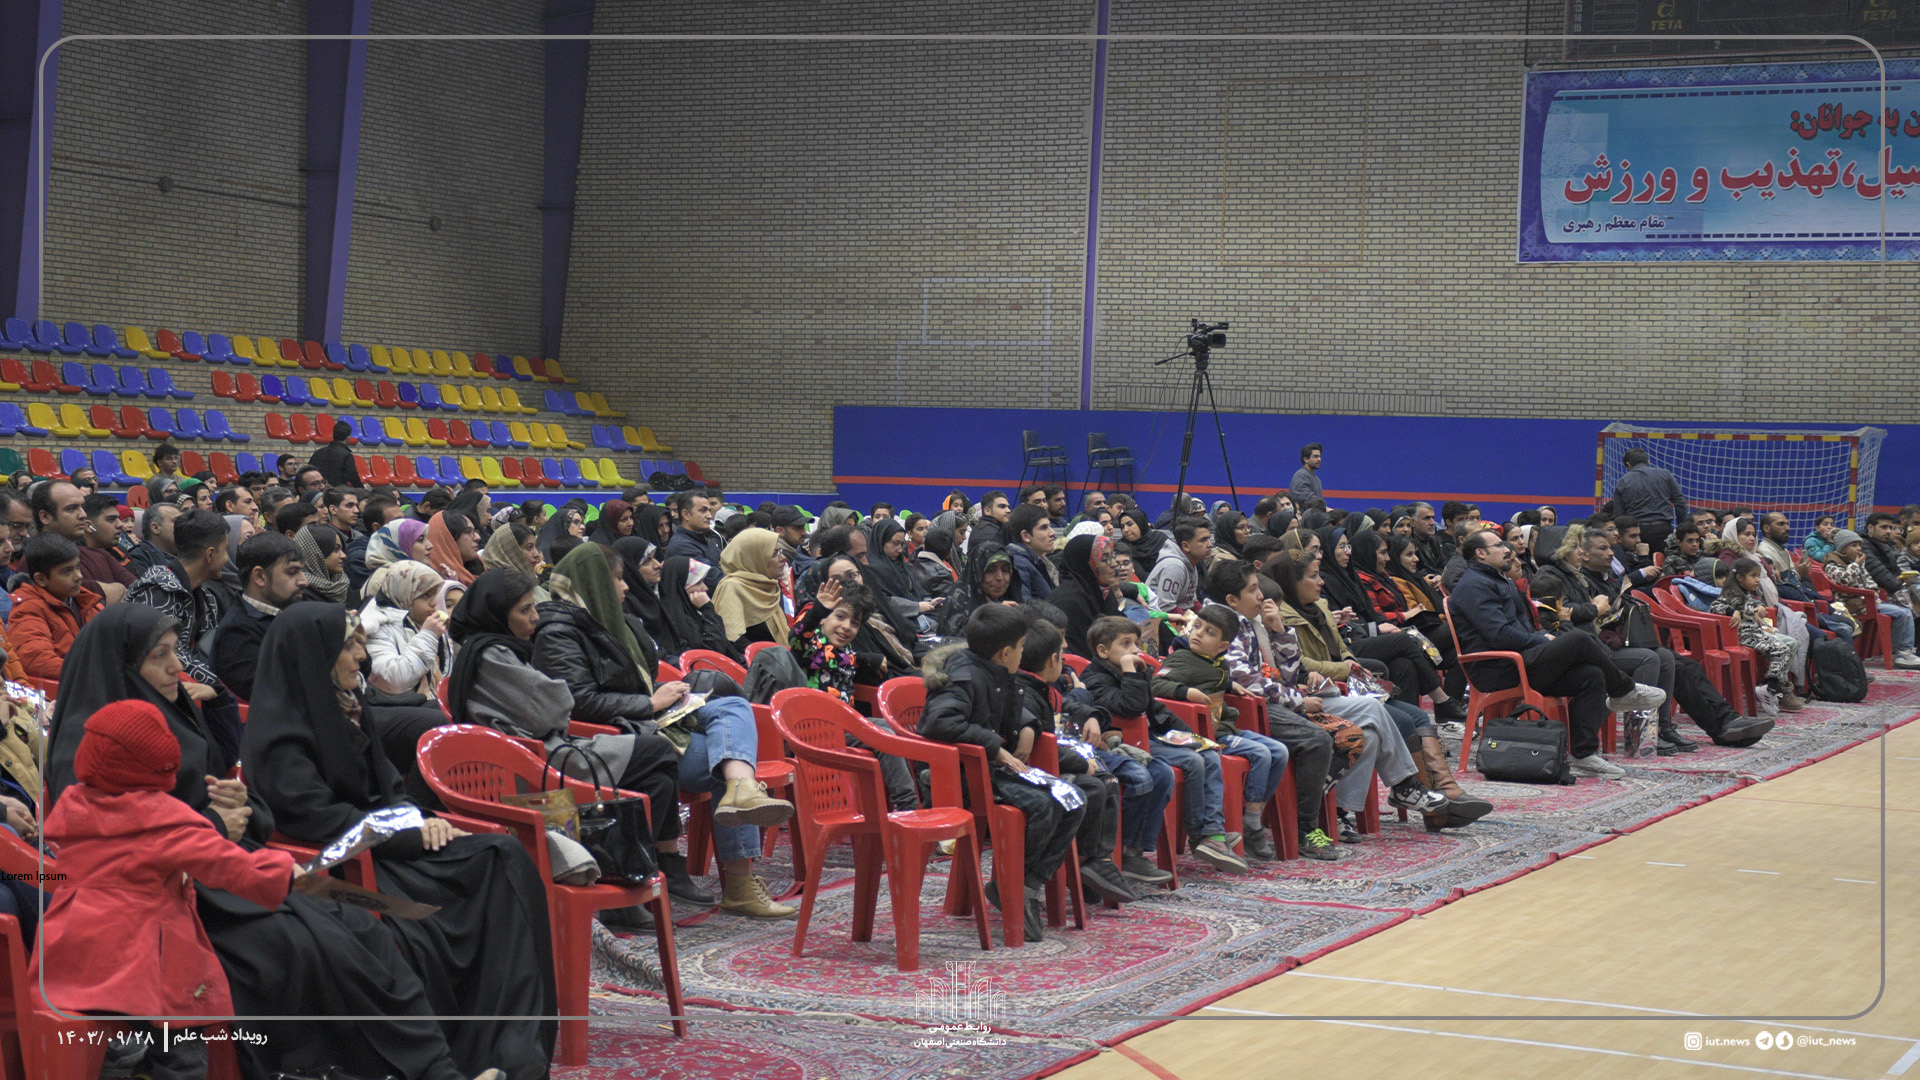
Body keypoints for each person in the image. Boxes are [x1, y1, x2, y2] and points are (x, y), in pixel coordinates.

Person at [242, 603, 557, 1075]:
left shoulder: (348, 708)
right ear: (313, 656)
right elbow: (318, 819)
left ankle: (518, 1052)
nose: (361, 657)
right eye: (349, 646)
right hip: (344, 867)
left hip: (388, 850)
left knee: (502, 856)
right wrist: (408, 833)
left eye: (360, 643)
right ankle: (481, 1052)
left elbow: (389, 788)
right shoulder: (279, 732)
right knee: (483, 876)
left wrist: (420, 819)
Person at [38, 699, 307, 1080]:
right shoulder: (160, 818)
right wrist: (283, 872)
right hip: (140, 958)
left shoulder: (75, 803)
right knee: (182, 1050)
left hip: (73, 954)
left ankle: (117, 1058)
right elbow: (228, 865)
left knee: (109, 1044)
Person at [532, 543, 797, 917]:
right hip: (617, 737)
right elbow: (578, 701)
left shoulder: (611, 621)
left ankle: (742, 789)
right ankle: (739, 879)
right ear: (594, 582)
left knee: (733, 708)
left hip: (646, 721)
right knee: (726, 762)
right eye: (618, 579)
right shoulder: (557, 632)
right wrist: (650, 703)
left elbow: (632, 681)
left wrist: (663, 696)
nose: (626, 587)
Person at [920, 605, 1089, 939]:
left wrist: (1027, 725)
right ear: (1006, 652)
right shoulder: (963, 675)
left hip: (993, 770)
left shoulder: (997, 668)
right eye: (1022, 647)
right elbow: (938, 722)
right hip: (968, 775)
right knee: (1043, 805)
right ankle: (1014, 887)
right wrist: (994, 747)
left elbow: (1008, 709)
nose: (1024, 654)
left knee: (1073, 798)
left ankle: (1023, 886)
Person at [1449, 530, 1667, 778]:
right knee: (1579, 639)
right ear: (1480, 553)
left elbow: (1522, 629)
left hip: (1520, 658)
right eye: (1498, 545)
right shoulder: (1473, 585)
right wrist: (1542, 639)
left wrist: (1541, 639)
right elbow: (1499, 634)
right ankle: (1624, 690)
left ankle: (1583, 755)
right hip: (1498, 667)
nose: (1507, 549)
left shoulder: (1499, 580)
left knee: (1591, 675)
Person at [1080, 615, 1246, 874]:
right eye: (1126, 644)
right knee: (1193, 761)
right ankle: (1199, 835)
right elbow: (1131, 706)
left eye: (1136, 643)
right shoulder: (1094, 679)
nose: (1135, 650)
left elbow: (1155, 709)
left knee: (1207, 753)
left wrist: (1194, 737)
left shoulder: (1134, 671)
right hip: (1129, 742)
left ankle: (1212, 832)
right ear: (1103, 651)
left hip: (1152, 735)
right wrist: (1131, 672)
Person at [1149, 604, 1289, 861]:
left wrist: (1231, 684)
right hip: (1207, 734)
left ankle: (1252, 814)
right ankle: (1253, 825)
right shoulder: (1181, 658)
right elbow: (1156, 684)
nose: (1198, 633)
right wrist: (1186, 692)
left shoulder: (1218, 662)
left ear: (1223, 646)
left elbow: (1212, 675)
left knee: (1279, 751)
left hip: (1225, 726)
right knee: (1261, 753)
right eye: (1197, 626)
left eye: (1209, 632)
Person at [126, 509, 242, 760]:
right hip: (150, 701)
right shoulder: (159, 591)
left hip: (189, 692)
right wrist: (219, 685)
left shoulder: (205, 595)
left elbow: (209, 649)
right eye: (224, 550)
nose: (227, 559)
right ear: (210, 555)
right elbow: (165, 656)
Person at [208, 532, 307, 702]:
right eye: (292, 572)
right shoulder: (237, 633)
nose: (304, 581)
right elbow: (270, 696)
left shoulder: (290, 609)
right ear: (260, 577)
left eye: (301, 571)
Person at [1711, 556, 1805, 713]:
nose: (1757, 580)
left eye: (1758, 576)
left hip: (1754, 632)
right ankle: (1769, 689)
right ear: (1739, 577)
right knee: (1781, 650)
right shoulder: (1732, 593)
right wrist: (1732, 611)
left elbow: (1753, 604)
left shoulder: (1746, 592)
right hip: (1743, 635)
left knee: (1784, 648)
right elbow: (1715, 606)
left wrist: (1760, 607)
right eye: (1753, 576)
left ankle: (1770, 689)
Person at [9, 534, 104, 683]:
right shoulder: (28, 609)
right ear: (41, 579)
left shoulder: (87, 601)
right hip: (72, 688)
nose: (78, 576)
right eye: (67, 571)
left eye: (78, 567)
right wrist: (97, 673)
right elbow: (36, 660)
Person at [712, 527, 790, 651]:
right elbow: (734, 641)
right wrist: (772, 657)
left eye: (780, 551)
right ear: (754, 557)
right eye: (774, 553)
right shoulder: (732, 587)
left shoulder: (769, 584)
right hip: (755, 660)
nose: (783, 558)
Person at [1611, 447, 1687, 553]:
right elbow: (1680, 503)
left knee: (1638, 561)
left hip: (1636, 532)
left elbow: (1620, 515)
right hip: (1663, 529)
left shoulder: (1622, 482)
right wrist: (1683, 530)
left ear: (1628, 465)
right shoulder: (1666, 474)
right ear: (1648, 461)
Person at [1145, 515, 1211, 620]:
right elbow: (1165, 607)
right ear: (1186, 546)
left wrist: (1209, 616)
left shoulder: (1190, 562)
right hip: (1155, 622)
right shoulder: (1175, 566)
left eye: (1209, 538)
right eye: (1203, 540)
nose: (1210, 544)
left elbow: (1191, 603)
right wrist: (1195, 620)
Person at [663, 489, 725, 586]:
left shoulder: (705, 537)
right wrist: (722, 567)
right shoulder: (682, 546)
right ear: (686, 514)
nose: (709, 516)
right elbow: (716, 580)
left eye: (709, 511)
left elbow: (728, 563)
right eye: (703, 510)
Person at [1004, 503, 1058, 602]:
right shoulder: (1019, 564)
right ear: (1026, 536)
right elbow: (1024, 607)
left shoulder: (1037, 561)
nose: (1052, 533)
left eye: (1050, 526)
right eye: (1044, 528)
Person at [296, 519, 353, 605]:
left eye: (341, 549)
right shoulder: (301, 594)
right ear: (315, 555)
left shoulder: (341, 582)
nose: (343, 555)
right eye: (335, 549)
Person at [125, 500, 181, 577]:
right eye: (177, 521)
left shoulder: (187, 552)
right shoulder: (139, 557)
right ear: (155, 528)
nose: (183, 525)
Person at [307, 420, 364, 488]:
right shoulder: (346, 455)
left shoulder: (317, 453)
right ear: (348, 438)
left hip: (318, 491)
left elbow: (308, 472)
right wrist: (362, 490)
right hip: (338, 493)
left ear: (333, 435)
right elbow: (353, 477)